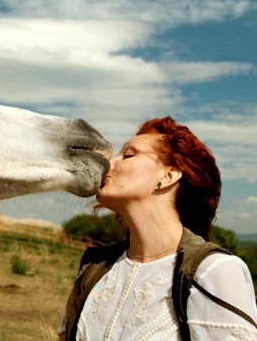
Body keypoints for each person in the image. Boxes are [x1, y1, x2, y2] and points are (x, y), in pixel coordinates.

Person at [58, 116, 257, 340]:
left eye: (129, 155)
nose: (109, 163)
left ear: (168, 175)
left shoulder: (214, 271)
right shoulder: (95, 266)